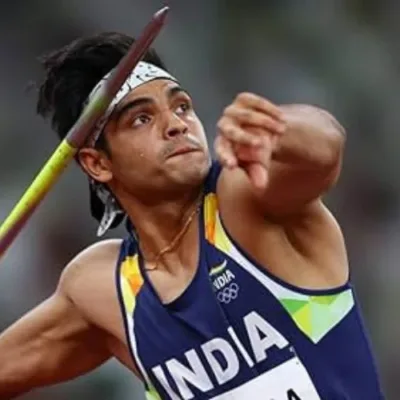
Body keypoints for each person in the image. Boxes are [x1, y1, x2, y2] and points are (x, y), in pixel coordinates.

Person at [0, 32, 384, 400]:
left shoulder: (243, 202)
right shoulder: (105, 291)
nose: (176, 124)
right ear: (97, 163)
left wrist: (276, 129)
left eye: (181, 106)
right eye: (141, 119)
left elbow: (325, 151)